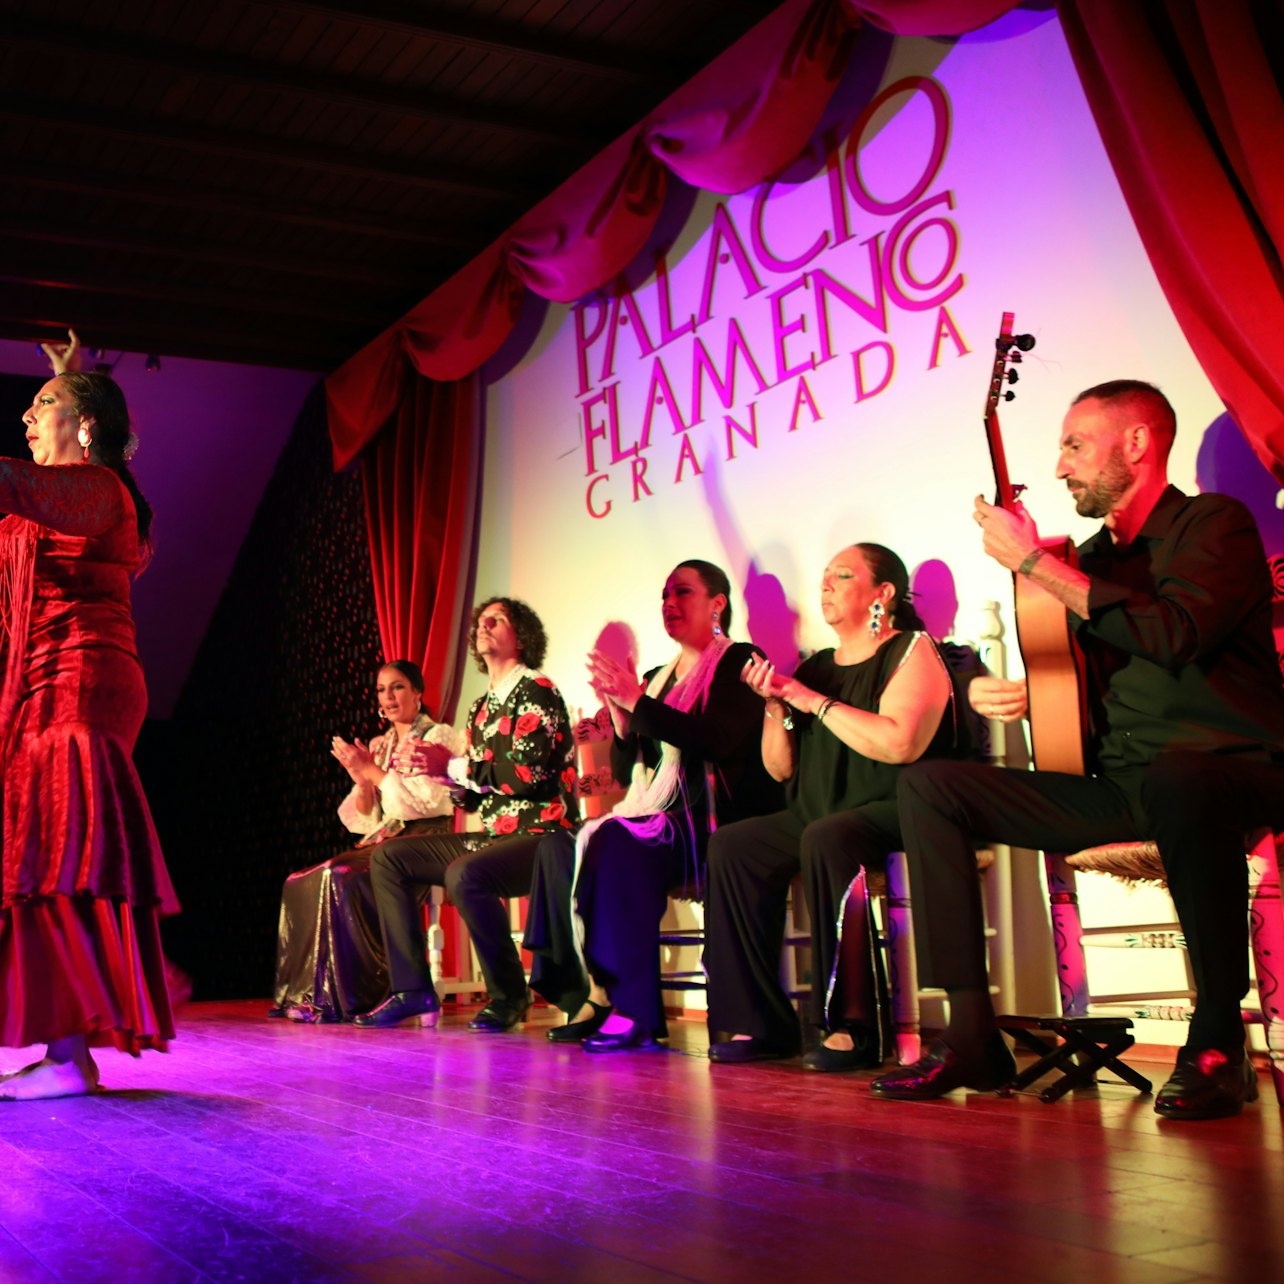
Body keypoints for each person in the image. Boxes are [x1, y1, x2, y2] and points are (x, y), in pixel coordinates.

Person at [872, 379, 1284, 1120]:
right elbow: (1102, 678)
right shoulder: (1087, 559)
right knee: (931, 786)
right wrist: (1036, 695)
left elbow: (1175, 634)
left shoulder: (1213, 524)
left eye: (1074, 446)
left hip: (1233, 770)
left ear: (1136, 444)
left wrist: (1034, 565)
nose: (1060, 468)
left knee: (1182, 779)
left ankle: (1218, 1036)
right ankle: (969, 1033)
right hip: (1124, 784)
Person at [703, 544, 954, 1065]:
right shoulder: (814, 667)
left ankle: (853, 1025)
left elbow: (899, 744)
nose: (826, 585)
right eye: (823, 578)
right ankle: (760, 1023)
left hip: (895, 809)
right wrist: (776, 704)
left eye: (842, 575)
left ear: (883, 593)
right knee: (734, 844)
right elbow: (781, 769)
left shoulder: (911, 650)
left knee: (829, 835)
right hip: (819, 810)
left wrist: (810, 700)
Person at [0, 370, 177, 1101]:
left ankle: (70, 1057)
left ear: (88, 427)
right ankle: (65, 1049)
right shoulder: (40, 507)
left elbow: (17, 485)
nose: (25, 414)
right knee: (40, 855)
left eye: (44, 403)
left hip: (82, 680)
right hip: (40, 685)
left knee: (61, 853)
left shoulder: (100, 489)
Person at [523, 560, 780, 1052]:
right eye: (664, 594)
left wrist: (638, 704)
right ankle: (590, 992)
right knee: (558, 847)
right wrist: (624, 720)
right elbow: (629, 774)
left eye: (682, 592)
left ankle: (632, 1008)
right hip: (657, 817)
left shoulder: (739, 660)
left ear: (717, 604)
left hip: (708, 821)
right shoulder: (657, 677)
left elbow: (719, 741)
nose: (669, 603)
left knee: (614, 841)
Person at [354, 597, 576, 1030]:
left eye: (498, 620)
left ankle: (510, 994)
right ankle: (413, 988)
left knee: (465, 873)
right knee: (389, 857)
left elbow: (525, 776)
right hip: (498, 834)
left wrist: (452, 766)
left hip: (543, 834)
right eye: (480, 621)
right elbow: (476, 798)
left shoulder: (536, 690)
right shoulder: (480, 708)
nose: (483, 626)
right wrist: (446, 780)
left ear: (522, 636)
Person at [270, 660, 463, 1021]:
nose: (388, 697)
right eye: (381, 689)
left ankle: (358, 993)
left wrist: (373, 771)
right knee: (300, 881)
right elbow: (367, 818)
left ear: (418, 693)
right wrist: (361, 779)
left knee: (337, 874)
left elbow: (424, 805)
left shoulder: (439, 736)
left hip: (425, 839)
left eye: (398, 687)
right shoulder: (381, 744)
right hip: (387, 839)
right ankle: (308, 994)